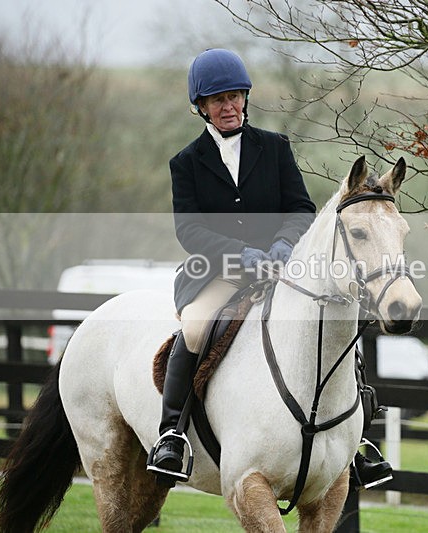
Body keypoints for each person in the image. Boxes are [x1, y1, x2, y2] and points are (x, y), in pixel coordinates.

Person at [147, 48, 392, 490]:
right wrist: (240, 253)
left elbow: (300, 207)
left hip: (282, 268)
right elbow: (190, 230)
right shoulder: (186, 162)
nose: (229, 106)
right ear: (201, 106)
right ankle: (172, 435)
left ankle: (356, 442)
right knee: (197, 329)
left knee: (335, 323)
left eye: (235, 96)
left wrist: (282, 243)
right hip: (221, 272)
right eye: (218, 100)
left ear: (245, 98)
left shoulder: (275, 147)